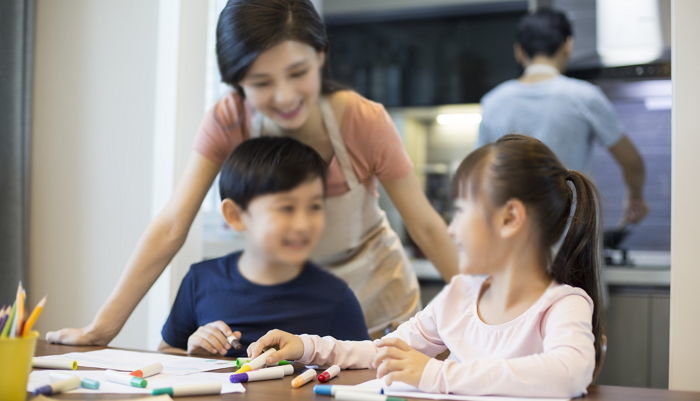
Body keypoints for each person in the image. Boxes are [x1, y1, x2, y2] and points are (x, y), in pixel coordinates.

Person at [47, 0, 458, 345]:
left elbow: (425, 226)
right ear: (237, 83)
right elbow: (173, 224)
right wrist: (103, 328)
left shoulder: (363, 121)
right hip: (292, 307)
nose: (285, 96)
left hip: (376, 303)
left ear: (320, 56)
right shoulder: (229, 120)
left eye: (298, 73)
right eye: (261, 82)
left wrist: (487, 312)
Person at [248, 134, 603, 398]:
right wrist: (307, 347)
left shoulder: (562, 305)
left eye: (461, 210)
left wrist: (436, 374)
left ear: (510, 218)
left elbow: (567, 374)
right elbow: (386, 352)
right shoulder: (460, 296)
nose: (450, 228)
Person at [158, 137, 368, 357]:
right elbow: (165, 353)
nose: (303, 224)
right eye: (286, 208)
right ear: (235, 215)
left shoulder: (336, 297)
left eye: (314, 206)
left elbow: (363, 372)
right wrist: (195, 353)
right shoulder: (200, 280)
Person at [477, 8, 648, 225]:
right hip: (572, 236)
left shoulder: (493, 102)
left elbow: (478, 175)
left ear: (519, 51)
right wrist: (635, 198)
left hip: (513, 235)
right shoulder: (585, 97)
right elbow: (632, 161)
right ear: (568, 45)